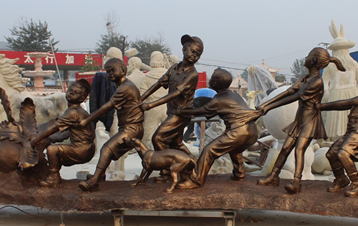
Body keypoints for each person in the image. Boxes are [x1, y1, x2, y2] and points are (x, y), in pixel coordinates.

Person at [256, 48, 345, 194]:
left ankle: (297, 181)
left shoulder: (317, 82)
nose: (305, 58)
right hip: (299, 120)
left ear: (313, 61)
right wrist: (266, 104)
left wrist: (268, 107)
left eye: (308, 56)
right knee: (285, 148)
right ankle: (273, 176)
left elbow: (295, 96)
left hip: (310, 121)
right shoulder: (305, 78)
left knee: (299, 150)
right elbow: (289, 91)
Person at [175, 68, 262, 189]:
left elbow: (201, 110)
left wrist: (180, 111)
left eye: (212, 78)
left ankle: (196, 180)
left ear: (215, 83)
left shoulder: (219, 99)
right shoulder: (234, 95)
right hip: (252, 131)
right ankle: (239, 173)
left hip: (238, 131)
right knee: (235, 149)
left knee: (209, 151)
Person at [139, 34, 202, 182]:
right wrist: (141, 98)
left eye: (198, 55)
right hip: (172, 111)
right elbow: (159, 83)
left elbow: (175, 93)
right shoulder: (174, 68)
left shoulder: (192, 74)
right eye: (193, 51)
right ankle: (194, 165)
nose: (195, 56)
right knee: (176, 143)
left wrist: (151, 105)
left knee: (158, 138)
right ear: (184, 49)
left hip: (181, 114)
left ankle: (168, 170)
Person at [315, 59, 358, 197]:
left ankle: (356, 183)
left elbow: (349, 103)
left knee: (343, 154)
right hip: (353, 129)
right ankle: (341, 179)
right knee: (331, 153)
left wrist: (322, 106)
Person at [78, 58, 144, 191]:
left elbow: (107, 106)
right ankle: (100, 175)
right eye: (108, 72)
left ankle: (94, 181)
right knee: (113, 150)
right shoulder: (123, 86)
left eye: (113, 70)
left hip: (131, 129)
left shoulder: (125, 87)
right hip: (128, 127)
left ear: (123, 70)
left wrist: (87, 120)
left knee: (106, 149)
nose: (110, 74)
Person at [30, 80, 95, 188]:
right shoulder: (75, 110)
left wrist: (35, 141)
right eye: (70, 90)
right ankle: (52, 174)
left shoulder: (73, 112)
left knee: (52, 150)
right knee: (56, 149)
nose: (70, 93)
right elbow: (67, 132)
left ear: (82, 98)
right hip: (87, 148)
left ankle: (54, 179)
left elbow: (54, 128)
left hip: (82, 149)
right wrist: (51, 138)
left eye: (75, 93)